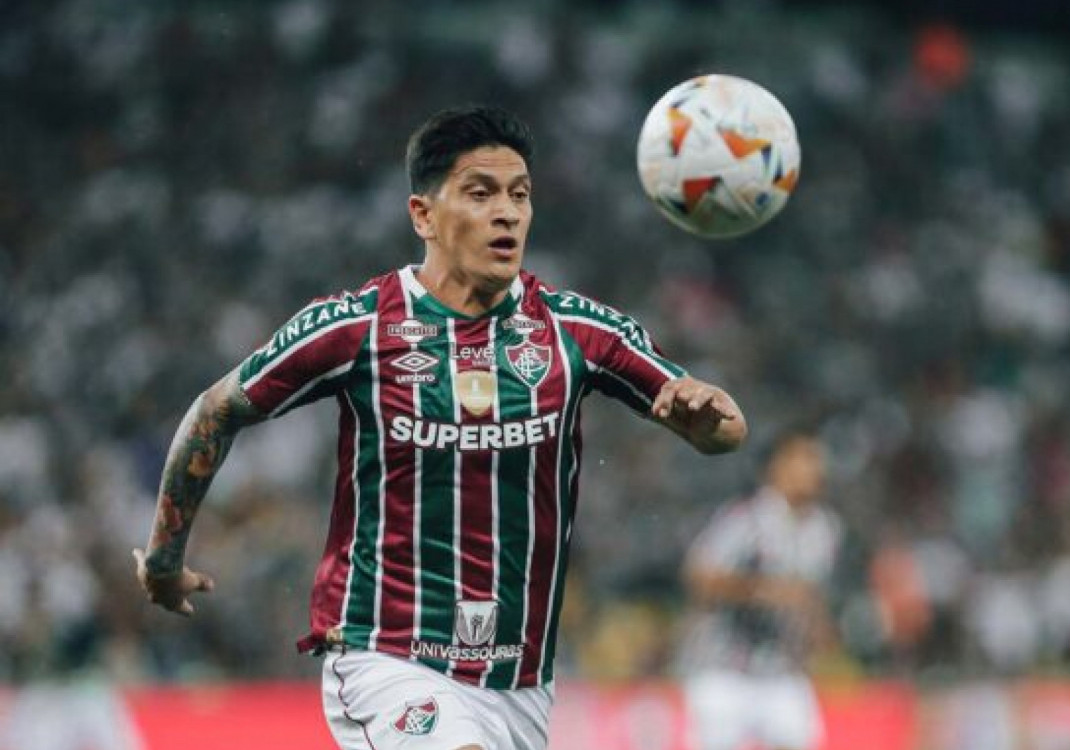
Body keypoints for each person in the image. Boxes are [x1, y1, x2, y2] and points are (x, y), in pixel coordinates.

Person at [131, 105, 747, 750]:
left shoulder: (576, 332)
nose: (507, 212)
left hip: (520, 681)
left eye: (520, 195)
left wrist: (705, 414)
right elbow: (216, 410)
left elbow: (724, 430)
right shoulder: (359, 325)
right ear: (423, 215)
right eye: (480, 193)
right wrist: (164, 561)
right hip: (388, 655)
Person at [677, 431, 839, 750]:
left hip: (783, 672)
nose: (813, 469)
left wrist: (820, 627)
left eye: (815, 461)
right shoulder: (745, 518)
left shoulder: (824, 529)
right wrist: (761, 590)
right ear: (775, 467)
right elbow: (699, 576)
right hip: (724, 671)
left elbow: (809, 594)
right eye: (803, 459)